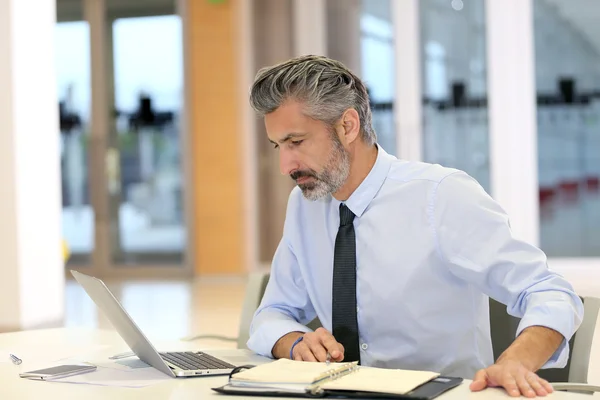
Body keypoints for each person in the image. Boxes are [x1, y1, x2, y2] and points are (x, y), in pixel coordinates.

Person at [245, 55, 584, 398]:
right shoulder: (305, 207)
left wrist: (516, 362)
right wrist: (295, 342)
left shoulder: (441, 196)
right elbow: (271, 314)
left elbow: (549, 292)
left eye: (296, 142)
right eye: (278, 146)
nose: (285, 165)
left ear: (347, 126)